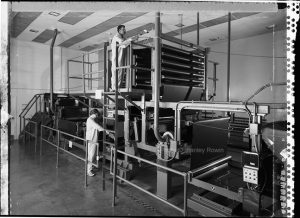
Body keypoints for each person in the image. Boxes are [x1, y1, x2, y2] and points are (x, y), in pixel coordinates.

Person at [111, 25, 138, 91]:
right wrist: (131, 39)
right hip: (116, 58)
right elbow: (123, 44)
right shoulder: (116, 37)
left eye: (124, 29)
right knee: (115, 72)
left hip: (121, 57)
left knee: (121, 72)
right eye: (123, 29)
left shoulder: (123, 37)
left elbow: (127, 41)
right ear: (119, 30)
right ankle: (114, 88)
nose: (124, 30)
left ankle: (117, 87)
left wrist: (134, 38)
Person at [85, 108, 104, 177]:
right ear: (94, 114)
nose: (97, 115)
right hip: (91, 140)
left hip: (93, 140)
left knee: (93, 154)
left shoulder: (91, 119)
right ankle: (88, 171)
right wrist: (108, 132)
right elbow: (98, 127)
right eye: (96, 114)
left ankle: (91, 166)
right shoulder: (90, 120)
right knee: (91, 155)